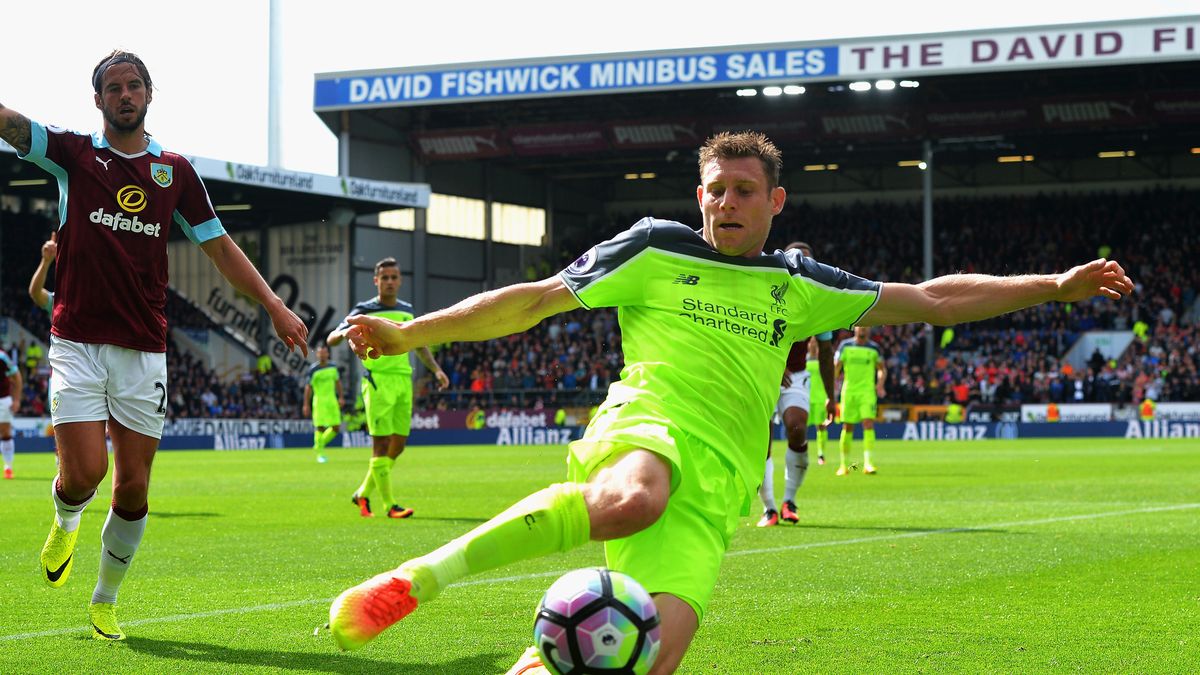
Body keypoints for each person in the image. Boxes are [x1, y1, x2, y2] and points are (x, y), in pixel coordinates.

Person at [325, 131, 1132, 673]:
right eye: (716, 190)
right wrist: (408, 332)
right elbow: (532, 300)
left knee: (634, 657)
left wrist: (1053, 287)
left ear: (775, 202)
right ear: (699, 195)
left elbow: (930, 298)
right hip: (646, 428)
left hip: (719, 489)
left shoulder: (798, 283)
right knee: (635, 495)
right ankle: (419, 576)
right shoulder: (652, 246)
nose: (728, 203)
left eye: (746, 190)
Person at [0, 49, 309, 641]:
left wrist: (273, 303)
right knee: (86, 473)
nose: (124, 94)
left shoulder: (175, 171)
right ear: (97, 100)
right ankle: (66, 517)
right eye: (113, 87)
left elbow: (219, 248)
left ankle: (105, 600)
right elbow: (14, 123)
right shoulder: (72, 155)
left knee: (134, 487)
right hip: (78, 342)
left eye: (133, 85)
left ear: (148, 94)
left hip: (145, 348)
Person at [327, 257, 449, 519]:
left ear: (400, 280)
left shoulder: (406, 310)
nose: (390, 282)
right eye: (385, 278)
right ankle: (389, 505)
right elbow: (332, 337)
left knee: (399, 445)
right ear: (376, 281)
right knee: (380, 445)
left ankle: (362, 493)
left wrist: (436, 369)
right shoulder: (364, 310)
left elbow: (419, 343)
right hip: (378, 382)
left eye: (394, 277)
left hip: (403, 381)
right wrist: (345, 333)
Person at [757, 241, 835, 528]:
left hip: (797, 376)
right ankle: (769, 509)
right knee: (760, 442)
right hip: (762, 373)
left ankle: (789, 500)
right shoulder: (766, 293)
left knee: (797, 428)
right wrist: (773, 368)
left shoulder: (817, 305)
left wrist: (831, 396)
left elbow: (826, 353)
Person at [834, 326, 886, 476]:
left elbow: (882, 368)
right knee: (847, 426)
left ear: (869, 329)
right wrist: (831, 386)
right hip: (849, 391)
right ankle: (843, 465)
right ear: (855, 328)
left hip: (867, 391)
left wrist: (880, 384)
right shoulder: (845, 346)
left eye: (866, 326)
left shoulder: (874, 348)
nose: (862, 328)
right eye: (860, 326)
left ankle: (868, 463)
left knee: (868, 422)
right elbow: (836, 367)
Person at [303, 344, 344, 464]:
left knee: (336, 427)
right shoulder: (313, 370)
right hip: (319, 401)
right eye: (320, 353)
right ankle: (320, 453)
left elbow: (338, 383)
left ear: (328, 354)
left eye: (324, 353)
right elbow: (308, 388)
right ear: (317, 354)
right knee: (320, 427)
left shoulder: (333, 367)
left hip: (332, 401)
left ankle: (319, 445)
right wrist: (306, 404)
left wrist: (341, 397)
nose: (322, 355)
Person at [0, 350, 22, 479]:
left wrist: (17, 399)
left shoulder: (2, 357)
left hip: (2, 399)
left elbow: (16, 376)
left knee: (5, 432)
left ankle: (8, 467)